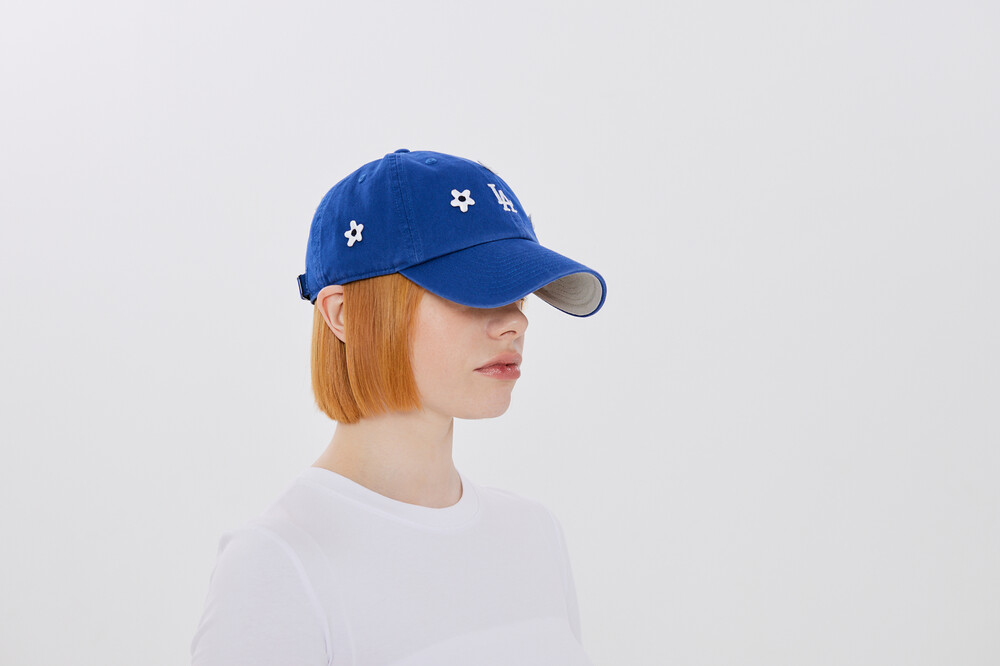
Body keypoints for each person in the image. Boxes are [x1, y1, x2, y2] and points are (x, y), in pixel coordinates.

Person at [190, 149, 607, 665]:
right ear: (343, 314)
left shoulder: (534, 536)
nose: (516, 323)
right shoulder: (277, 566)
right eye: (473, 292)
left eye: (519, 294)